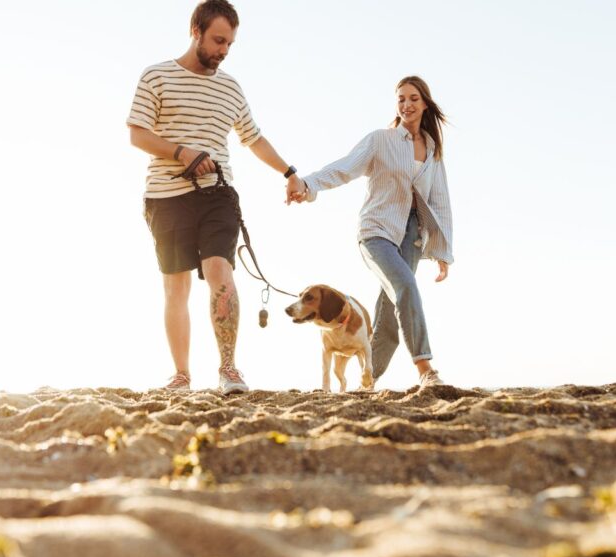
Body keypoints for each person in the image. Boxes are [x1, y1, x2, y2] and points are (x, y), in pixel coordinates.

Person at [127, 0, 301, 394]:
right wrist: (182, 152)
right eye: (219, 40)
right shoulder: (156, 76)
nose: (224, 50)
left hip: (218, 196)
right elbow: (137, 134)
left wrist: (289, 173)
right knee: (176, 286)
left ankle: (229, 369)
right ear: (196, 31)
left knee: (220, 270)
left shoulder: (231, 88)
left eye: (230, 44)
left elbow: (253, 139)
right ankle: (181, 375)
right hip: (166, 196)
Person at [287, 76, 453, 389]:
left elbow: (440, 200)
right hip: (376, 230)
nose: (406, 104)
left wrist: (442, 251)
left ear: (425, 103)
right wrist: (308, 185)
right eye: (401, 99)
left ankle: (369, 379)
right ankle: (425, 368)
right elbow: (345, 168)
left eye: (413, 98)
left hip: (412, 235)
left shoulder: (432, 150)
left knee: (390, 309)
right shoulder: (381, 140)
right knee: (405, 286)